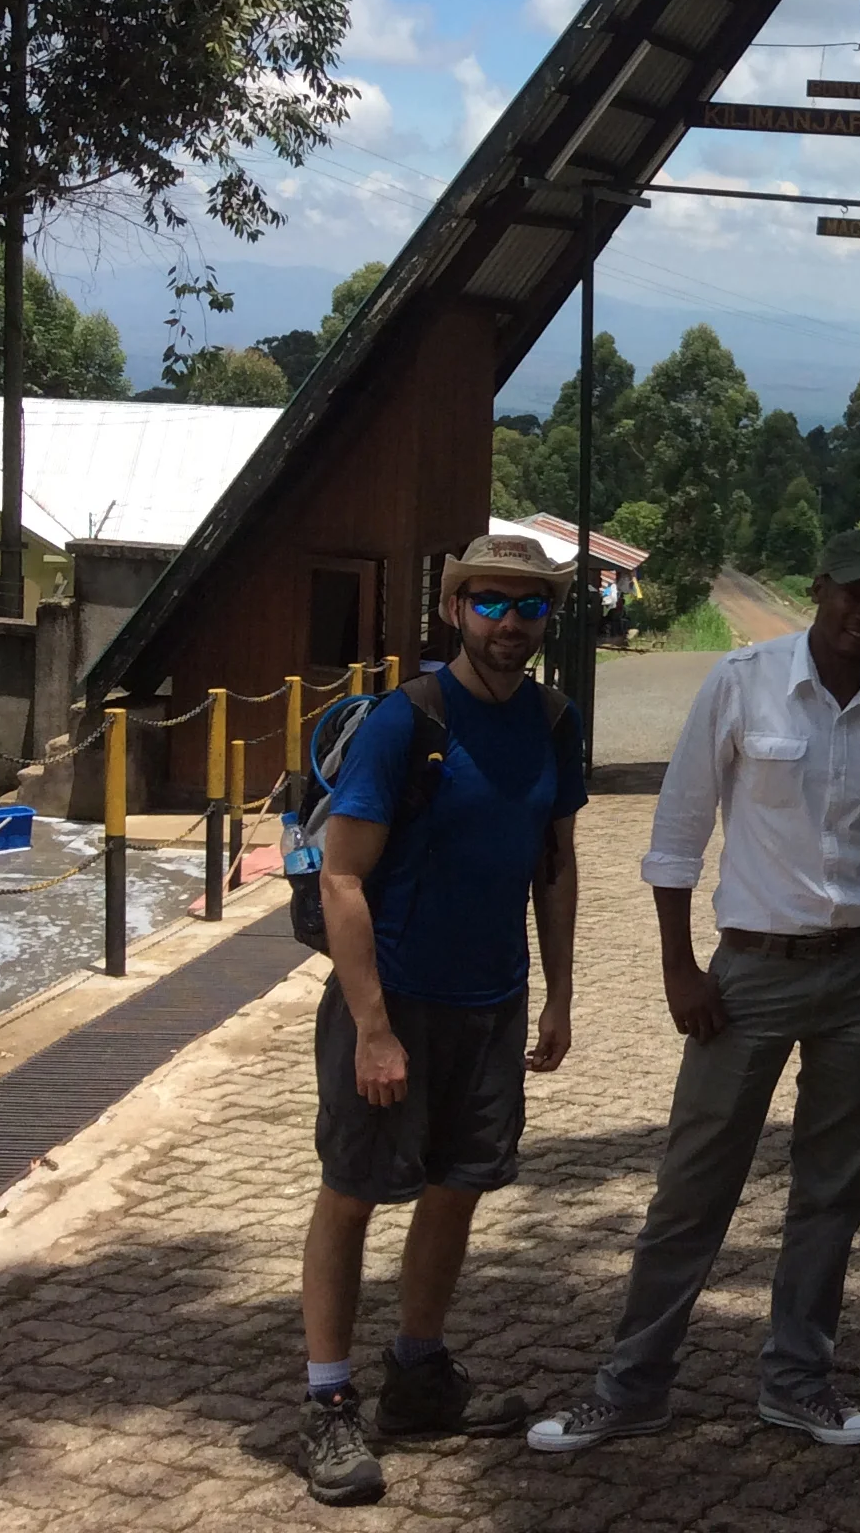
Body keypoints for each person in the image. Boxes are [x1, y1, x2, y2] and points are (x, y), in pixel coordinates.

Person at [527, 528, 860, 1456]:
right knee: (693, 1187)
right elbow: (679, 829)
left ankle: (797, 1382)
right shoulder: (744, 681)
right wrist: (678, 968)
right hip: (750, 976)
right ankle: (632, 1386)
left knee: (832, 1189)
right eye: (852, 593)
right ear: (820, 589)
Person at [297, 532, 586, 1509]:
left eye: (531, 606)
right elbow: (340, 875)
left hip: (492, 1001)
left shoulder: (552, 718)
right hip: (397, 998)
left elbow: (554, 861)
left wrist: (560, 991)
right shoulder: (405, 720)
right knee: (352, 1189)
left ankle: (418, 1377)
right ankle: (328, 1401)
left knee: (458, 1184)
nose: (511, 623)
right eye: (492, 603)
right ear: (457, 609)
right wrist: (373, 1027)